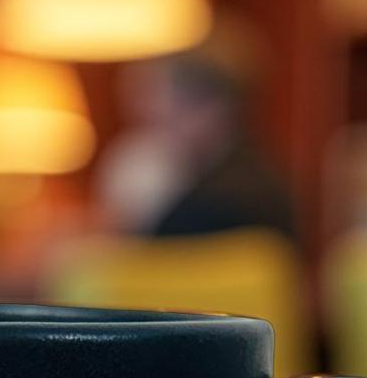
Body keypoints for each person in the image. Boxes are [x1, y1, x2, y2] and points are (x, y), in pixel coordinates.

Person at [95, 20, 297, 243]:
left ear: (212, 107)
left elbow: (141, 258)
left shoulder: (209, 207)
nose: (155, 128)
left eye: (164, 110)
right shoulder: (266, 181)